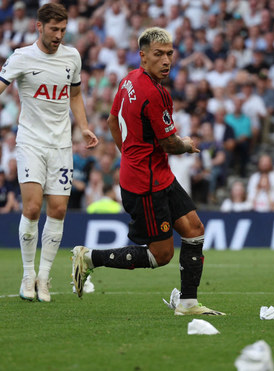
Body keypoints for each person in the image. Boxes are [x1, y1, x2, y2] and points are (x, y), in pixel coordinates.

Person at [71, 27, 224, 316]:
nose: (166, 60)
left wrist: (129, 154)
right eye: (158, 54)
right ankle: (89, 257)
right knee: (161, 254)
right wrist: (187, 145)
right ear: (143, 56)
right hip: (146, 185)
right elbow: (169, 143)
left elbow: (112, 121)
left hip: (157, 175)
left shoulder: (129, 80)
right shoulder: (155, 94)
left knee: (194, 229)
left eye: (169, 54)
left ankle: (188, 304)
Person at [0, 3, 99, 303]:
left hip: (61, 144)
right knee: (32, 208)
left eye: (63, 30)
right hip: (30, 141)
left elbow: (75, 94)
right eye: (54, 29)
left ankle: (44, 278)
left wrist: (83, 126)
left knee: (57, 210)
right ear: (39, 27)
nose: (59, 35)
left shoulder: (72, 57)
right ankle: (28, 275)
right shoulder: (21, 57)